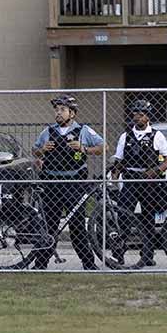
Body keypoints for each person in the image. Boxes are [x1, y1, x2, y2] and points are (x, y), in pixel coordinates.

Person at [31, 95, 104, 270]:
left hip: (74, 184)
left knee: (77, 226)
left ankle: (88, 263)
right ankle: (40, 264)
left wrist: (84, 148)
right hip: (52, 183)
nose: (58, 113)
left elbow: (103, 147)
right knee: (50, 225)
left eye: (62, 110)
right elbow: (35, 151)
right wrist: (41, 152)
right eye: (56, 110)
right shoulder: (48, 131)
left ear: (72, 113)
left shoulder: (84, 130)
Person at [109, 99, 167, 266]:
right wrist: (114, 179)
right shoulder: (126, 136)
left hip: (149, 182)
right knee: (123, 217)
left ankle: (147, 255)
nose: (137, 117)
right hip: (130, 180)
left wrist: (156, 171)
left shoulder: (157, 135)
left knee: (148, 219)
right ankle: (119, 253)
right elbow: (119, 159)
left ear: (148, 117)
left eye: (141, 114)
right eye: (135, 114)